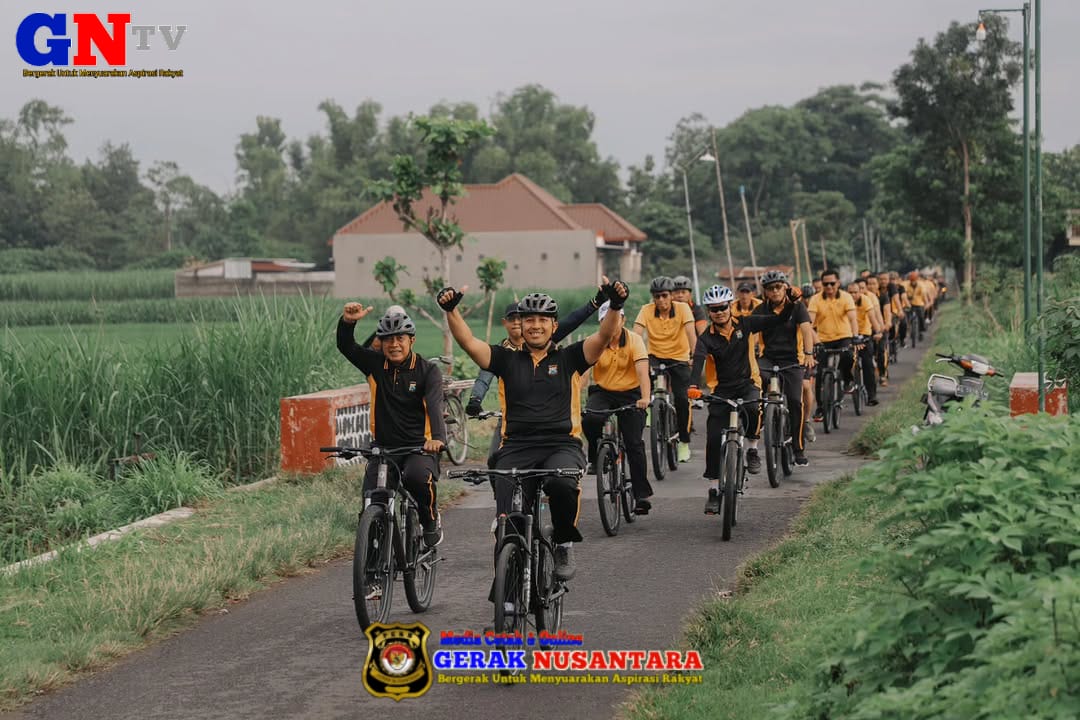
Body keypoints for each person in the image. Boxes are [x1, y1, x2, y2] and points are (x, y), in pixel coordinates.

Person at [439, 281, 629, 581]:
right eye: (529, 320)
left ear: (554, 326)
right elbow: (469, 343)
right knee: (509, 524)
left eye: (543, 320)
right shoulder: (506, 359)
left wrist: (615, 305)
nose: (535, 325)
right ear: (521, 325)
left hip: (561, 445)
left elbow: (604, 335)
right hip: (517, 446)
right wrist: (451, 311)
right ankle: (509, 591)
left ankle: (563, 543)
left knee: (562, 485)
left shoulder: (570, 357)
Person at [336, 306, 447, 547]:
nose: (394, 344)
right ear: (381, 342)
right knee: (374, 498)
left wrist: (438, 438)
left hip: (419, 448)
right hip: (384, 448)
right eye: (388, 339)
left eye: (400, 338)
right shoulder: (375, 365)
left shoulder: (428, 371)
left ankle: (430, 519)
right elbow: (347, 347)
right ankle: (375, 562)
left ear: (411, 340)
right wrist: (347, 322)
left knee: (417, 478)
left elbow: (435, 406)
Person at [688, 285, 798, 514]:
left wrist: (790, 303)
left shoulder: (746, 324)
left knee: (753, 408)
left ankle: (752, 449)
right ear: (709, 312)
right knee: (713, 438)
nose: (719, 312)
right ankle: (713, 490)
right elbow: (698, 359)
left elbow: (778, 319)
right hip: (721, 390)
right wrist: (693, 386)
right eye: (714, 309)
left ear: (730, 306)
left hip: (748, 383)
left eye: (722, 307)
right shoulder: (706, 338)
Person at [465, 287, 607, 464]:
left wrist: (594, 304)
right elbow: (484, 377)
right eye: (512, 319)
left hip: (551, 425)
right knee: (495, 463)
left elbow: (571, 322)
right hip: (514, 419)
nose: (516, 323)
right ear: (506, 323)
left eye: (518, 319)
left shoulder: (541, 339)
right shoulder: (502, 352)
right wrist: (475, 399)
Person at [579, 301, 653, 514]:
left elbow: (642, 372)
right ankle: (595, 456)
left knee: (634, 443)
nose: (610, 324)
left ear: (623, 319)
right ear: (601, 323)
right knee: (590, 418)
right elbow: (583, 375)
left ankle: (641, 495)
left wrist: (645, 398)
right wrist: (574, 399)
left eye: (614, 319)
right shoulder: (595, 342)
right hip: (603, 391)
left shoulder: (634, 340)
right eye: (605, 320)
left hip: (632, 394)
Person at [752, 270, 815, 466]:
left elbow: (806, 331)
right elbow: (751, 335)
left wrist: (808, 354)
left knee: (795, 401)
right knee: (754, 385)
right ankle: (762, 419)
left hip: (792, 360)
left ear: (785, 287)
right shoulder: (760, 310)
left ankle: (798, 448)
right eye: (770, 288)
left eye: (778, 287)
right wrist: (748, 356)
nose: (775, 291)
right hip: (768, 359)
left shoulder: (797, 307)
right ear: (765, 291)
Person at [633, 276, 696, 463]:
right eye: (657, 296)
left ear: (671, 295)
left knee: (682, 399)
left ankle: (683, 442)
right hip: (655, 356)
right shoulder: (646, 310)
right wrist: (634, 354)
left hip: (679, 358)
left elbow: (691, 335)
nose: (661, 300)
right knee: (640, 377)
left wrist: (694, 356)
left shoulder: (683, 309)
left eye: (664, 295)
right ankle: (651, 408)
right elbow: (636, 335)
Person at [808, 269, 861, 421]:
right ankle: (820, 407)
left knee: (848, 356)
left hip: (844, 336)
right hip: (823, 339)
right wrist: (815, 341)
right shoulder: (815, 299)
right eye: (826, 284)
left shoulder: (846, 297)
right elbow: (809, 323)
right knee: (819, 373)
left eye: (832, 283)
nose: (829, 287)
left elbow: (852, 319)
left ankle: (847, 379)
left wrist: (855, 337)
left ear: (838, 283)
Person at [847, 281, 882, 406]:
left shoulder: (865, 300)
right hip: (849, 335)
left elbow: (872, 318)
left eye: (855, 292)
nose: (853, 295)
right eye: (850, 292)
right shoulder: (844, 301)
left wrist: (878, 331)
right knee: (845, 359)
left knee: (868, 364)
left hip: (864, 336)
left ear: (860, 292)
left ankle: (871, 395)